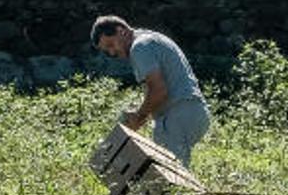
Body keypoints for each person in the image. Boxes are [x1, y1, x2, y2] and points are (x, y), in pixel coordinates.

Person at [90, 15, 211, 167]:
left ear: (121, 31)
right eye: (107, 50)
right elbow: (158, 89)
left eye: (110, 44)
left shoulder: (140, 47)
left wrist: (139, 116)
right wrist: (140, 113)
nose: (112, 52)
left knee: (171, 179)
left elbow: (159, 91)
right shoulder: (150, 39)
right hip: (191, 111)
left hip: (177, 115)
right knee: (171, 174)